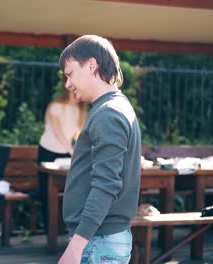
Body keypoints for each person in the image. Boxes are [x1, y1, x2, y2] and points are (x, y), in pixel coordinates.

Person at [57, 35, 141, 264]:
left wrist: (76, 247)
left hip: (97, 243)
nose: (68, 83)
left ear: (91, 65)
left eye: (70, 73)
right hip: (98, 242)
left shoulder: (108, 113)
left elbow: (106, 185)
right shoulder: (112, 108)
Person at [37, 82, 87, 232]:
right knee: (47, 193)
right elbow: (58, 133)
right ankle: (50, 230)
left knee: (70, 192)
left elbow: (78, 135)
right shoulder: (55, 106)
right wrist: (73, 153)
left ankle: (65, 227)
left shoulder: (79, 111)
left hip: (66, 153)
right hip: (48, 151)